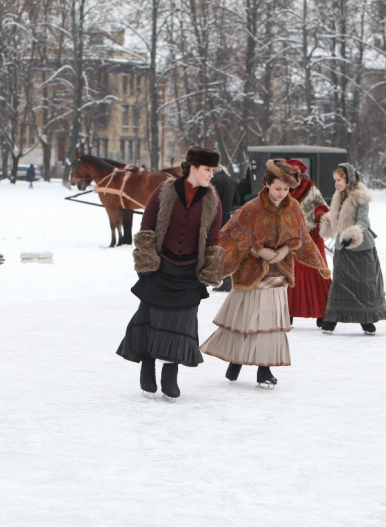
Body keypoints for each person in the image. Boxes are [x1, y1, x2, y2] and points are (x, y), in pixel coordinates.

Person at [200, 160, 330, 387]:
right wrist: (257, 250)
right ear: (267, 184)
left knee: (270, 324)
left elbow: (302, 237)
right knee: (247, 320)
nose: (282, 193)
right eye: (278, 188)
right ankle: (236, 361)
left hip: (279, 273)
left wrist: (285, 250)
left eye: (287, 189)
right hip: (252, 273)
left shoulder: (293, 208)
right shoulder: (252, 208)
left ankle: (264, 370)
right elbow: (231, 235)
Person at [116, 146, 224, 400]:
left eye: (213, 170)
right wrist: (147, 262)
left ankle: (170, 374)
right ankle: (147, 366)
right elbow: (147, 224)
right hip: (160, 267)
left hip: (189, 273)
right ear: (193, 168)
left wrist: (209, 268)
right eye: (208, 170)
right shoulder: (165, 190)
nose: (211, 175)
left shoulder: (212, 199)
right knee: (151, 319)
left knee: (181, 322)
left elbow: (214, 237)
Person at [319, 163, 386, 335]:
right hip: (343, 248)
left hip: (360, 247)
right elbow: (336, 215)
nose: (336, 183)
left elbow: (363, 222)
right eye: (335, 180)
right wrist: (327, 221)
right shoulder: (339, 195)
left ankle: (366, 319)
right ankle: (332, 319)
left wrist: (351, 234)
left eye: (339, 180)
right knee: (340, 283)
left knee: (364, 284)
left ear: (349, 179)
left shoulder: (360, 196)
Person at [285, 159, 331, 326]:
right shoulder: (282, 189)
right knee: (291, 275)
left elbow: (322, 205)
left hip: (313, 236)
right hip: (292, 238)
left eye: (297, 173)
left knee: (319, 272)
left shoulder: (311, 189)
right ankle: (288, 311)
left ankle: (324, 313)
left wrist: (320, 214)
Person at [210, 165, 241, 292]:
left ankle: (209, 279)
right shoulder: (229, 179)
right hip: (226, 219)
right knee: (225, 251)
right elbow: (237, 199)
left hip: (213, 220)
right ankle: (227, 280)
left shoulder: (213, 181)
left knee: (212, 250)